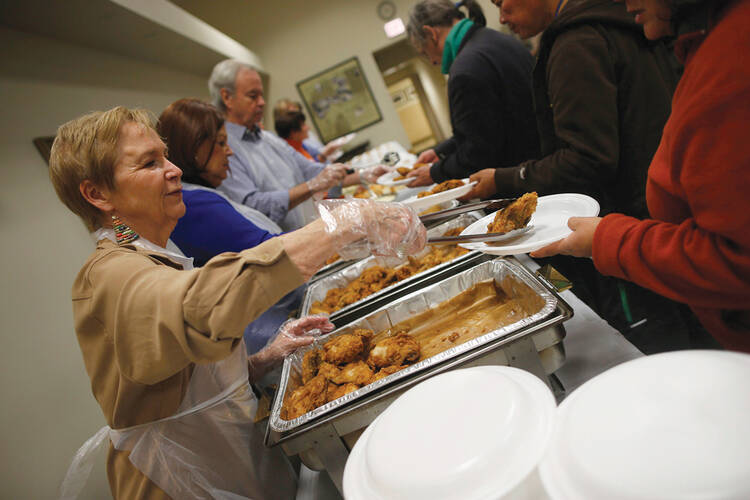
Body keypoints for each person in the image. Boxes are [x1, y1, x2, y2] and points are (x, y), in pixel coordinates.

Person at [50, 106, 426, 499]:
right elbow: (199, 307)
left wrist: (263, 358)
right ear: (97, 194)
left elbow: (179, 380)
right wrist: (340, 225)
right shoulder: (108, 276)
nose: (174, 169)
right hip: (182, 482)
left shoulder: (150, 254)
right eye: (149, 163)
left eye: (165, 156)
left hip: (234, 462)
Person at [459, 0, 715, 354]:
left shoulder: (576, 42)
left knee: (657, 344)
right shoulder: (622, 22)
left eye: (503, 3)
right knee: (698, 336)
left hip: (622, 229)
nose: (501, 17)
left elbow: (588, 158)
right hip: (666, 217)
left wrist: (502, 179)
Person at [532, 0, 750, 353]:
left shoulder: (731, 54)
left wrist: (606, 239)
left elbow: (735, 259)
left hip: (647, 247)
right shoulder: (699, 39)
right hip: (664, 255)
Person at [158, 98, 303, 353]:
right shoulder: (193, 204)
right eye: (221, 143)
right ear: (194, 148)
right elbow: (268, 249)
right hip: (269, 333)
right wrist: (336, 225)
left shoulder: (201, 193)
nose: (230, 151)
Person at [208, 60, 383, 231]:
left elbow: (313, 171)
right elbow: (254, 206)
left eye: (261, 95)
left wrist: (364, 175)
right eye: (253, 96)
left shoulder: (268, 138)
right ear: (227, 98)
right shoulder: (225, 149)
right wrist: (312, 186)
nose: (262, 102)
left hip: (313, 232)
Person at [405, 0, 540, 187]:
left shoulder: (465, 70)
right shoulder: (495, 39)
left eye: (425, 53)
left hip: (521, 184)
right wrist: (441, 151)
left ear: (431, 33)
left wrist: (435, 172)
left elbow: (478, 154)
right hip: (539, 164)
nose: (433, 62)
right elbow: (487, 126)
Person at [273, 98, 340, 163]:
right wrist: (324, 154)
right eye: (291, 112)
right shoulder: (287, 148)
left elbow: (316, 155)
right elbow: (310, 169)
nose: (308, 127)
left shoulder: (301, 143)